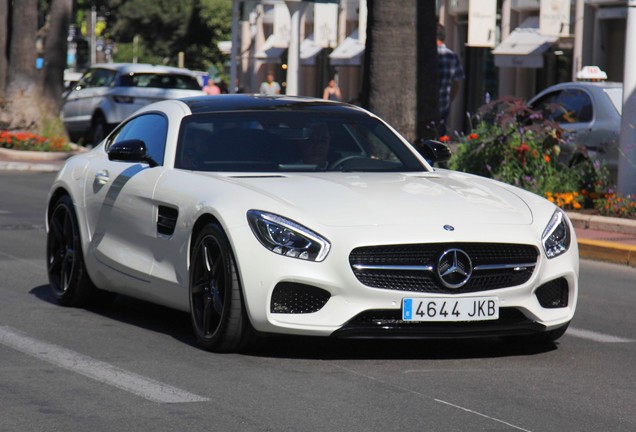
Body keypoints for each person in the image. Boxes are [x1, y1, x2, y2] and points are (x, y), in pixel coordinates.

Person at [437, 23, 465, 134]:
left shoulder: (424, 54)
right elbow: (457, 83)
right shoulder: (452, 56)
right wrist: (449, 99)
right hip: (443, 104)